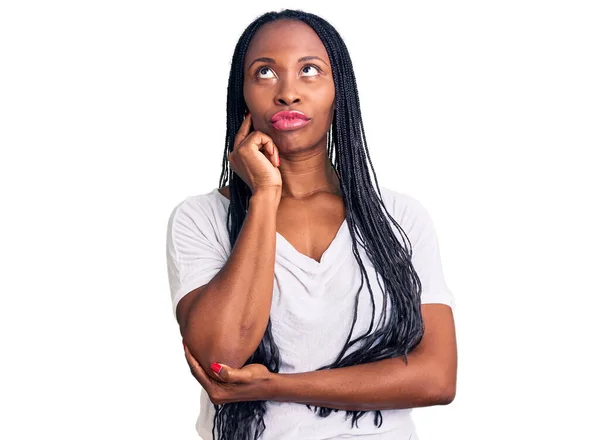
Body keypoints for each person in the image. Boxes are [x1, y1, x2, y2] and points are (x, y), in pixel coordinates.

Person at [166, 9, 457, 440]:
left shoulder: (399, 217)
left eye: (309, 71)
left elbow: (436, 378)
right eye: (265, 72)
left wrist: (275, 386)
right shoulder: (200, 218)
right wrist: (265, 195)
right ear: (241, 94)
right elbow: (220, 355)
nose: (288, 93)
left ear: (338, 89)